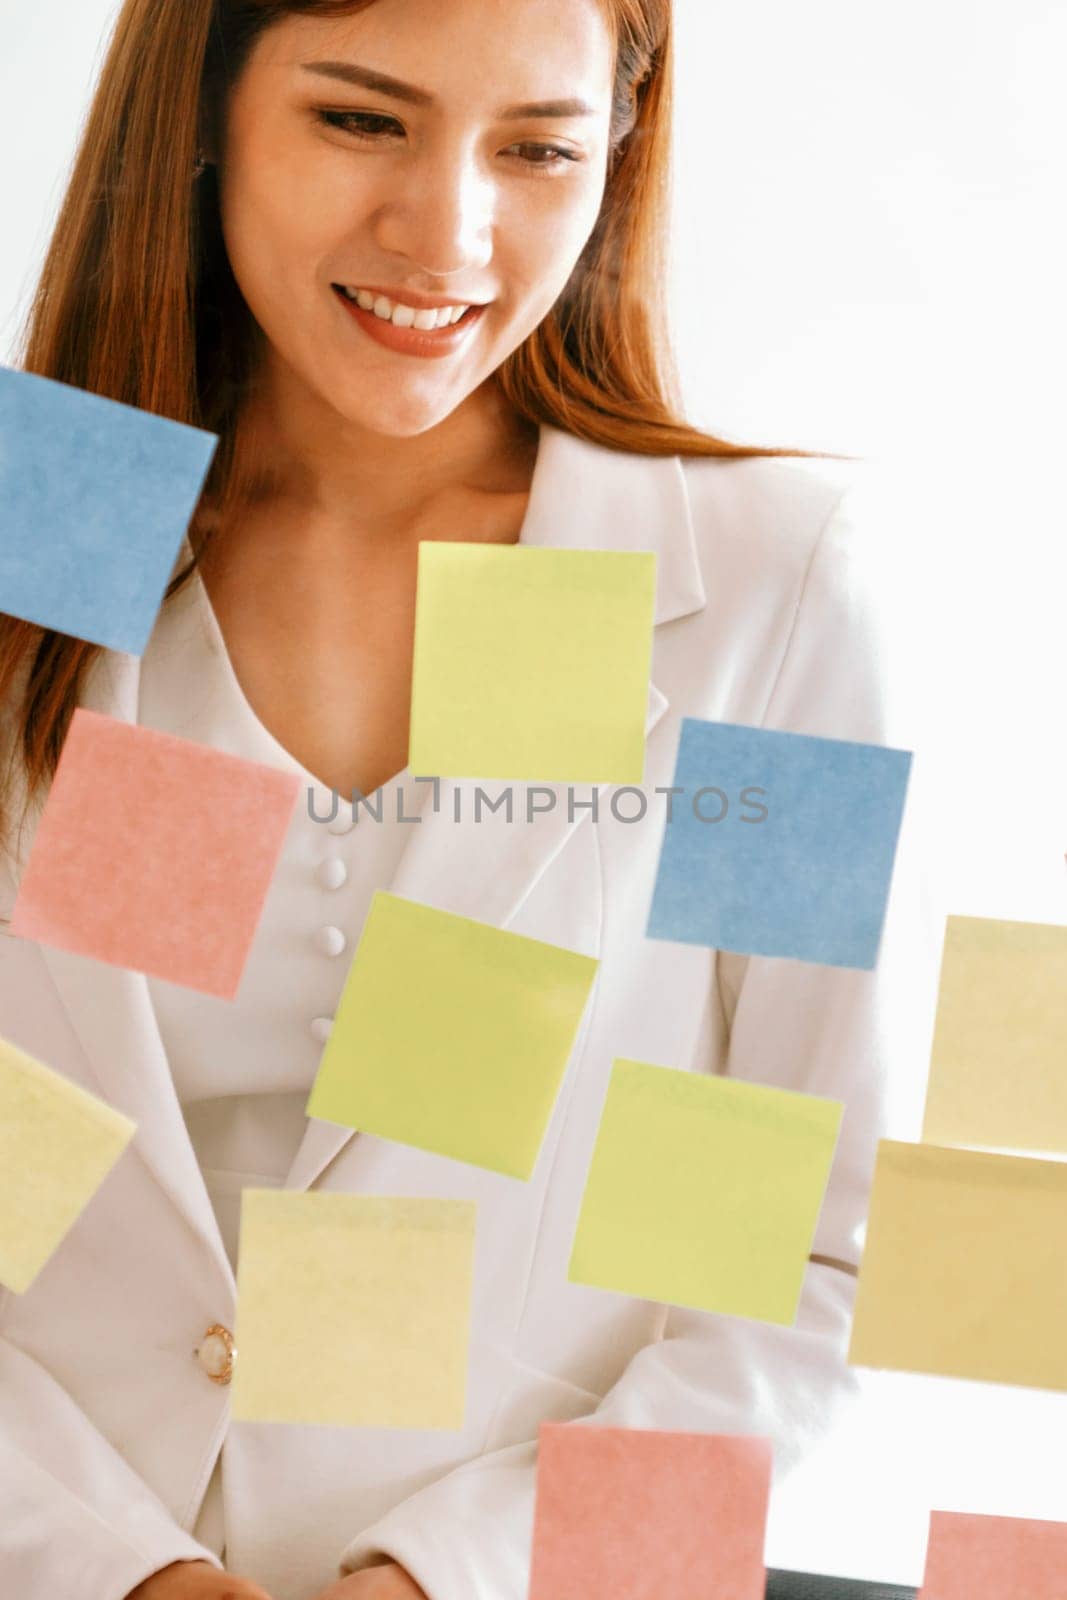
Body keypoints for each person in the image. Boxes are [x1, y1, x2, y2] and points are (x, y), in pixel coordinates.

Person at [0, 1, 940, 1598]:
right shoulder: (46, 529)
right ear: (208, 111)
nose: (448, 233)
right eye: (362, 120)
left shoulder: (767, 589)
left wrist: (450, 1579)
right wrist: (113, 1570)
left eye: (538, 149)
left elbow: (818, 1260)